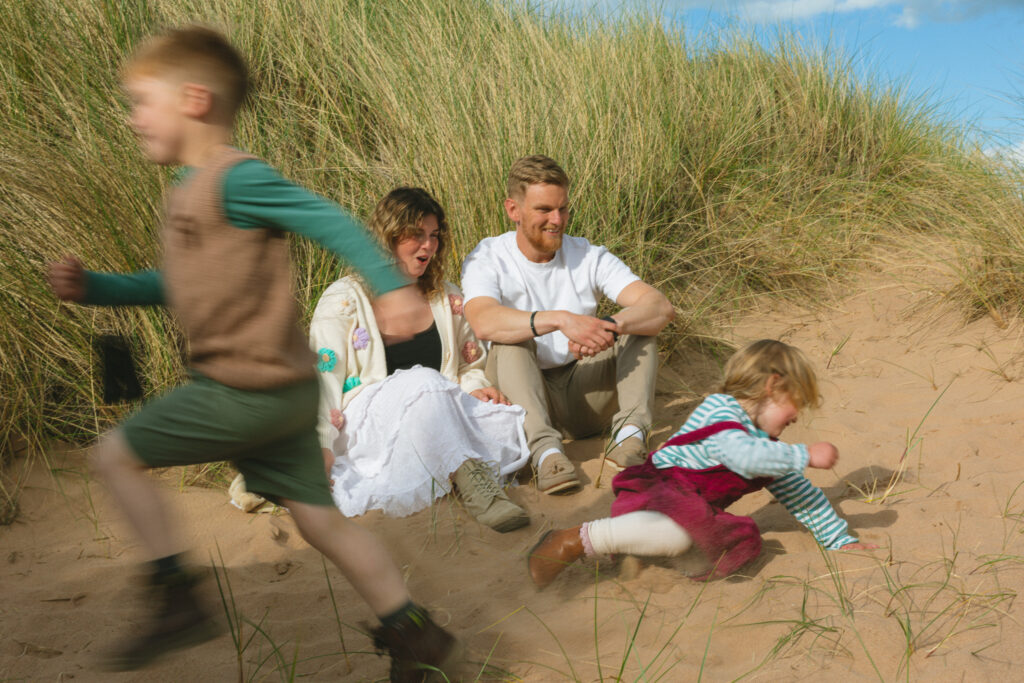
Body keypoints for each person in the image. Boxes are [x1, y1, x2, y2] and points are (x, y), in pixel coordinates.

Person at [46, 26, 461, 680]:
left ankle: (175, 594)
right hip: (283, 395)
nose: (131, 119)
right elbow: (174, 285)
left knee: (116, 454)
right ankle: (415, 630)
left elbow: (327, 218)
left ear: (193, 98)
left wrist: (388, 284)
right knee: (323, 524)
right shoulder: (190, 190)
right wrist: (95, 288)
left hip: (245, 388)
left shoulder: (236, 179)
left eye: (140, 101)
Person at [527, 339, 877, 587]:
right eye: (795, 403)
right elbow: (740, 454)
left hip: (686, 506)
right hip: (658, 490)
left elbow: (801, 494)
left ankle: (639, 554)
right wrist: (804, 455)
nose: (797, 417)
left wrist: (838, 539)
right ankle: (572, 540)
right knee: (684, 533)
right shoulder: (721, 411)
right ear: (772, 386)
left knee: (704, 535)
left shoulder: (767, 447)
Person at [308, 186, 530, 531]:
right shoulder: (343, 300)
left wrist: (474, 386)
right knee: (422, 379)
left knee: (505, 418)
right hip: (371, 424)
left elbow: (470, 365)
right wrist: (320, 445)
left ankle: (454, 468)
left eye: (434, 235)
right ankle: (476, 485)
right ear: (387, 238)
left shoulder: (447, 296)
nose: (428, 246)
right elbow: (321, 381)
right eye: (416, 235)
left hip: (435, 414)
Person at [461, 155, 675, 494]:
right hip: (524, 396)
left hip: (583, 391)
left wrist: (606, 326)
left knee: (640, 329)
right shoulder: (487, 257)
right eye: (544, 210)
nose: (557, 220)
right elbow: (484, 321)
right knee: (509, 341)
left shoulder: (588, 255)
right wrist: (563, 321)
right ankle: (545, 453)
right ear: (513, 210)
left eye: (563, 209)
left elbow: (659, 306)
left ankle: (630, 437)